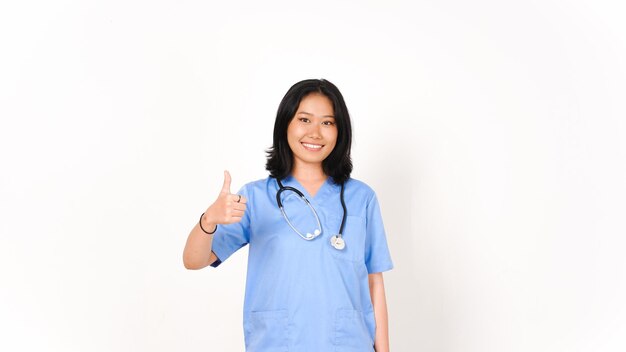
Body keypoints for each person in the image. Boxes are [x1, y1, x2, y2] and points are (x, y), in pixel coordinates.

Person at [183, 79, 394, 351]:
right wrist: (208, 220)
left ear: (340, 132)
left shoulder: (361, 198)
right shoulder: (256, 198)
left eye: (328, 123)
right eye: (305, 119)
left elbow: (374, 282)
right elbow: (193, 260)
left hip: (347, 343)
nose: (315, 133)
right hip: (278, 343)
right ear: (286, 125)